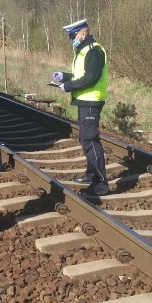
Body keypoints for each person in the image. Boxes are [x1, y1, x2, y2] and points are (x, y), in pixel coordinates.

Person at [51, 18, 109, 197]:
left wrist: (68, 86)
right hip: (84, 100)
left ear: (83, 32)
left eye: (73, 35)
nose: (72, 39)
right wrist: (65, 77)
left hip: (91, 101)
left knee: (90, 140)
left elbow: (91, 78)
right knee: (86, 138)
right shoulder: (83, 50)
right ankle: (91, 174)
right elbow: (81, 75)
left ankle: (101, 184)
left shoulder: (94, 50)